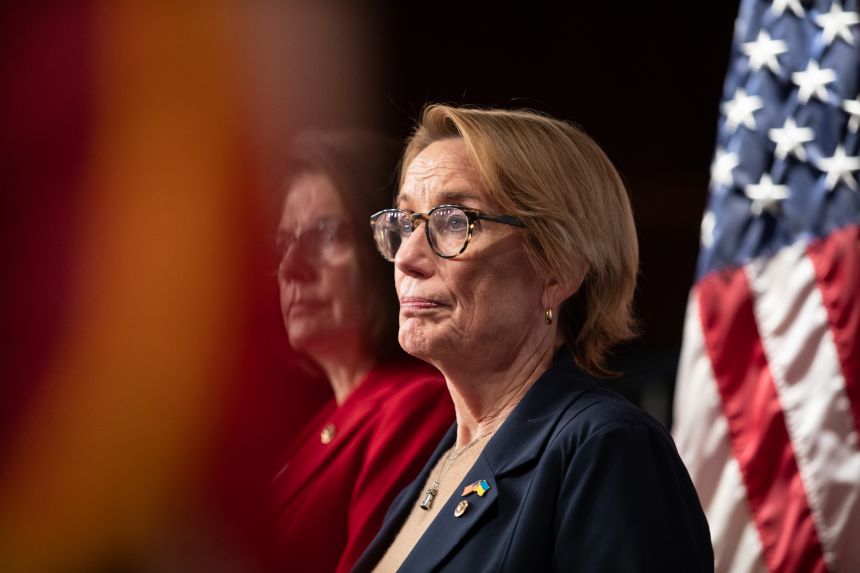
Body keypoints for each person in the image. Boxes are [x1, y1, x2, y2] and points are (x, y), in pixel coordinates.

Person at [353, 105, 713, 572]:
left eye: (454, 221)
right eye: (405, 224)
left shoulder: (607, 448)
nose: (408, 258)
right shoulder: (431, 470)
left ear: (557, 268)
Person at [272, 130, 454, 573]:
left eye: (325, 235)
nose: (291, 268)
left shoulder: (417, 404)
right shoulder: (321, 420)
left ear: (388, 248)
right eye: (283, 244)